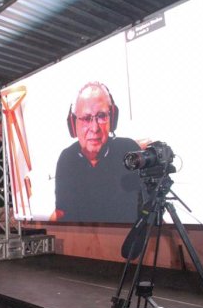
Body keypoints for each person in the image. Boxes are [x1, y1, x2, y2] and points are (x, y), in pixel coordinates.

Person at [53, 82, 140, 223]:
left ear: (112, 118)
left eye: (101, 116)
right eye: (86, 118)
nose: (94, 128)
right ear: (73, 123)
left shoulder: (128, 151)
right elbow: (63, 215)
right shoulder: (67, 159)